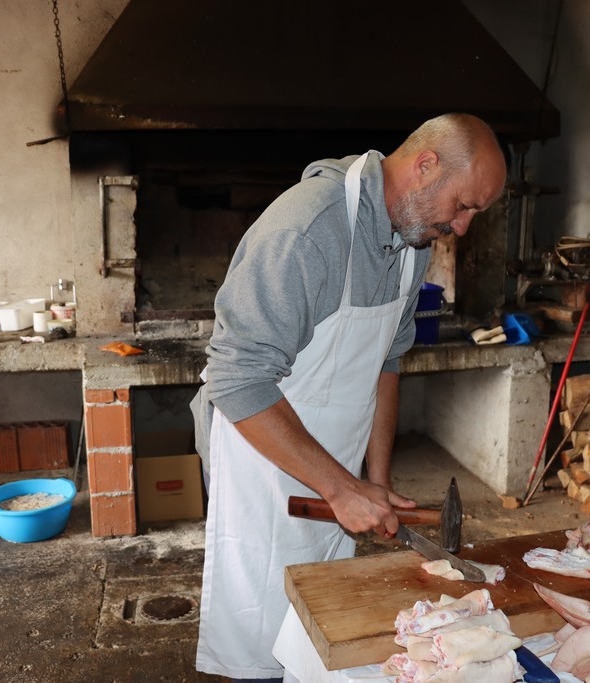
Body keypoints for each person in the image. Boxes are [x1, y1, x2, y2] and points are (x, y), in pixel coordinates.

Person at [191, 113, 507, 681]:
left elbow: (386, 359)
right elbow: (237, 379)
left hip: (339, 474)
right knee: (261, 637)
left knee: (322, 633)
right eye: (463, 206)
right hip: (263, 470)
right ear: (425, 165)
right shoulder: (307, 233)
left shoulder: (412, 240)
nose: (461, 228)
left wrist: (374, 479)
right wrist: (340, 486)